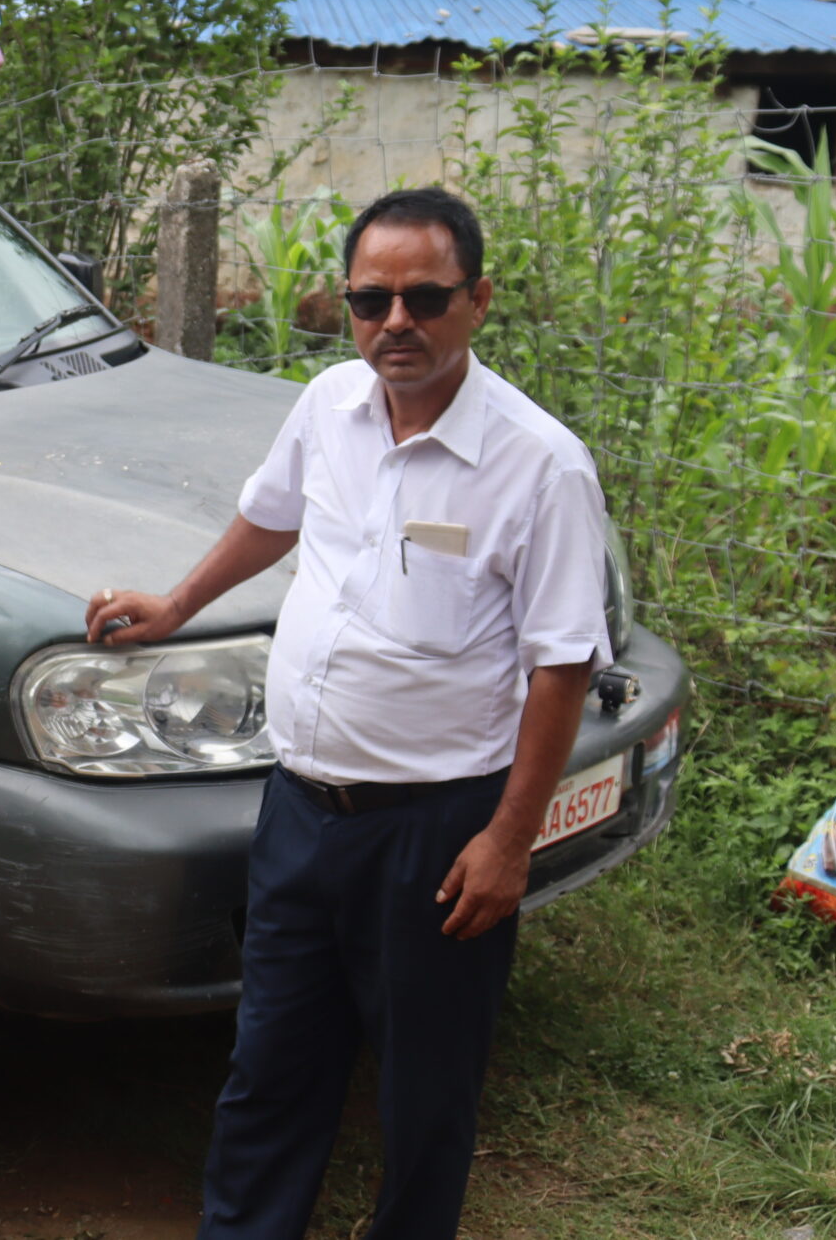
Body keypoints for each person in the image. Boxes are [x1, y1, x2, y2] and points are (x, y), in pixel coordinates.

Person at [85, 187, 612, 1240]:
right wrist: (178, 602)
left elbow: (561, 669)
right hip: (300, 811)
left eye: (425, 297)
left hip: (436, 834)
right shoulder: (327, 404)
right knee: (270, 1064)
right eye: (372, 299)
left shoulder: (537, 465)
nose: (395, 323)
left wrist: (509, 841)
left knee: (425, 1091)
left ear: (478, 301)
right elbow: (267, 518)